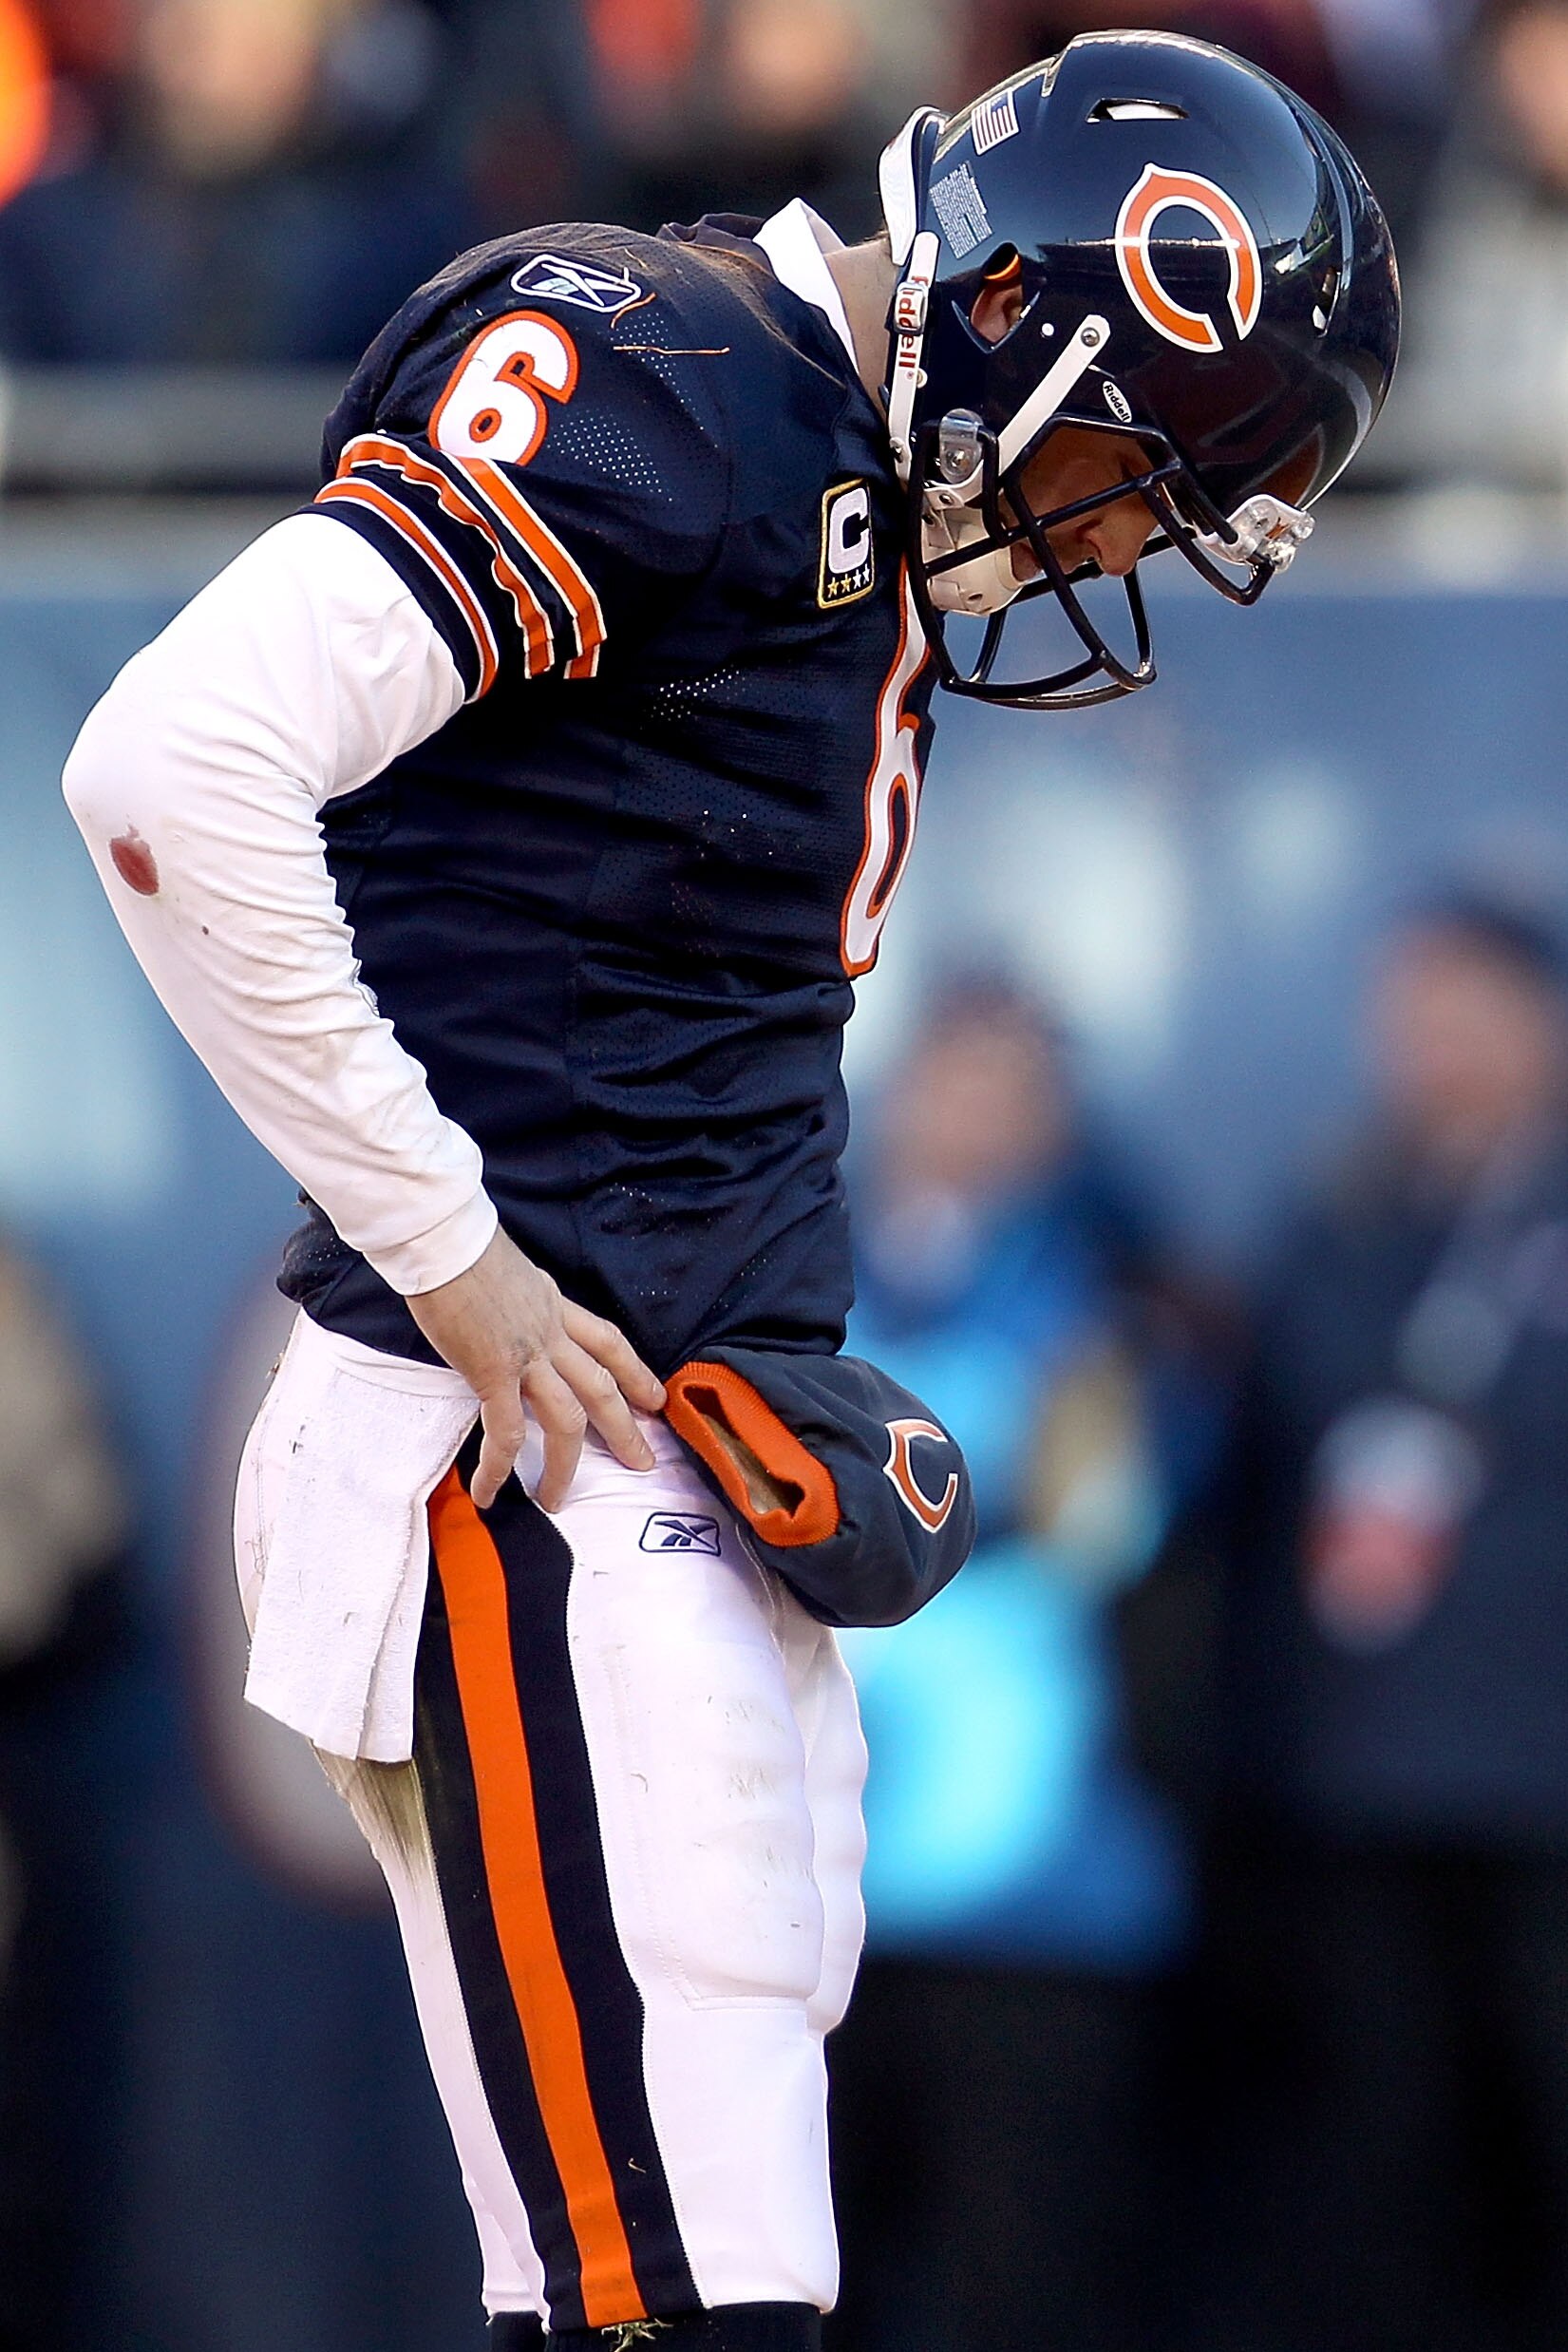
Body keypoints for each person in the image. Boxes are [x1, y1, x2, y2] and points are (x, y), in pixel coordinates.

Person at [61, 34, 1397, 2350]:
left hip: (665, 1451)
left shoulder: (826, 445)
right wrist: (455, 1254)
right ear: (1027, 310)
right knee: (678, 2293)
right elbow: (172, 766)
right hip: (535, 1465)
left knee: (686, 2267)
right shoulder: (652, 368)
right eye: (1117, 474)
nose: (1093, 544)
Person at [1199, 899, 1568, 2352]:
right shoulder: (1336, 1215)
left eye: (1469, 1009)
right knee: (1375, 2144)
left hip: (1546, 1776)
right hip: (1358, 1772)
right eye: (1409, 1014)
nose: (1436, 1046)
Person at [826, 977, 1206, 2352]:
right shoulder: (791, 1276)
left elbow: (1116, 1516)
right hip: (812, 1903)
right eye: (957, 1076)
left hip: (1044, 1902)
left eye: (1017, 1084)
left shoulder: (1115, 1299)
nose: (980, 1114)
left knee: (1030, 2289)